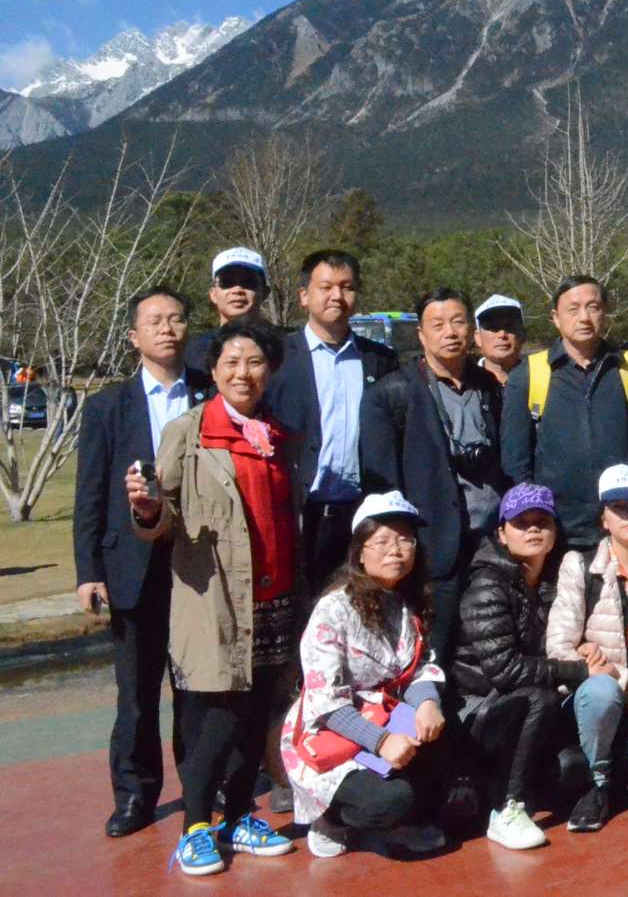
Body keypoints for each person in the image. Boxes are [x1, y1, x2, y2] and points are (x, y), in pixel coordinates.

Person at [127, 317, 299, 875]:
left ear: (269, 370)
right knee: (219, 715)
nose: (243, 372)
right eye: (231, 362)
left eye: (254, 362)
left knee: (255, 715)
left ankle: (238, 816)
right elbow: (162, 513)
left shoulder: (275, 432)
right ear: (214, 370)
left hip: (274, 594)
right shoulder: (189, 430)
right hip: (217, 596)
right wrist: (149, 507)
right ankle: (196, 825)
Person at [74, 286, 210, 838]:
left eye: (177, 319)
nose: (167, 329)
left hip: (197, 565)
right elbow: (90, 495)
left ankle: (204, 789)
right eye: (154, 321)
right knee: (135, 696)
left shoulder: (211, 395)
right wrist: (88, 571)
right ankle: (134, 795)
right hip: (131, 569)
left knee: (199, 690)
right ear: (134, 336)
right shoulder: (107, 406)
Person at [280, 492, 450, 860]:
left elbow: (422, 664)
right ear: (359, 551)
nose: (397, 550)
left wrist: (426, 703)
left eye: (406, 539)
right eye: (384, 540)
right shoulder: (334, 608)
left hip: (389, 717)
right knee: (392, 799)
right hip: (333, 733)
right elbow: (325, 700)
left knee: (452, 759)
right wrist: (380, 740)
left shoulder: (408, 603)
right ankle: (333, 818)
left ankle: (401, 813)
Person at [360, 288, 506, 669]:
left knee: (490, 649)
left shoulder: (490, 387)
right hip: (432, 544)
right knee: (432, 652)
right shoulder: (392, 393)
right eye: (437, 325)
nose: (450, 332)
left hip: (490, 542)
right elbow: (383, 487)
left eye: (458, 322)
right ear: (421, 335)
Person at [451, 483, 587, 850]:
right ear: (501, 532)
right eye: (520, 522)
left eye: (541, 521)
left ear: (555, 532)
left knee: (572, 767)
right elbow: (505, 671)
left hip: (519, 709)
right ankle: (506, 808)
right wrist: (578, 670)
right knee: (539, 698)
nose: (532, 529)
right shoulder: (487, 585)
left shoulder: (550, 583)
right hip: (478, 709)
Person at [544, 464, 628, 829]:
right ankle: (598, 784)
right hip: (598, 696)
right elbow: (559, 647)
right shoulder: (579, 565)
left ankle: (625, 763)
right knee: (603, 690)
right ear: (603, 517)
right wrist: (623, 680)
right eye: (618, 506)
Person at [266, 249, 398, 598]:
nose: (337, 296)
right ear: (304, 296)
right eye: (325, 287)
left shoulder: (380, 360)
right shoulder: (277, 359)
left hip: (361, 510)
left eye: (347, 287)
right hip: (299, 511)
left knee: (362, 605)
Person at [502, 276, 628, 553]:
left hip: (621, 527)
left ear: (604, 312)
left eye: (593, 307)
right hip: (557, 533)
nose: (584, 317)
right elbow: (515, 460)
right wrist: (537, 517)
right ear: (556, 317)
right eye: (573, 309)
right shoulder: (529, 375)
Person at [185, 247, 268, 374]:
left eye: (248, 283)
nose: (237, 290)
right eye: (227, 283)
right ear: (213, 294)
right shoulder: (191, 352)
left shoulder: (288, 347)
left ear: (265, 292)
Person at [473, 295, 527, 390]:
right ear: (478, 338)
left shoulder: (542, 378)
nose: (502, 334)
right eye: (493, 327)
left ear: (522, 334)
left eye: (509, 326)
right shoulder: (468, 383)